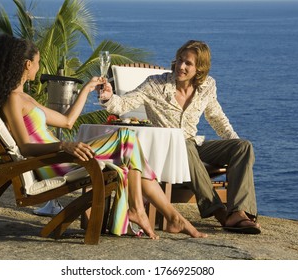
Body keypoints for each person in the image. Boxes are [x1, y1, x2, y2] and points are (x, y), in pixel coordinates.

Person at [0, 34, 207, 239]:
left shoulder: (25, 98)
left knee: (130, 151)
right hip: (54, 163)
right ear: (27, 64)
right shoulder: (14, 99)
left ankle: (163, 215)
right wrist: (64, 145)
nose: (39, 67)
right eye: (38, 62)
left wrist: (87, 89)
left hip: (61, 156)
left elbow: (67, 121)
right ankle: (145, 211)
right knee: (127, 138)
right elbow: (24, 147)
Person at [99, 40, 261, 234]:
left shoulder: (207, 86)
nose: (181, 66)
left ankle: (239, 212)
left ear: (199, 68)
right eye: (179, 60)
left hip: (192, 145)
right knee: (183, 143)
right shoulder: (156, 84)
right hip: (165, 150)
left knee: (243, 147)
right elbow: (122, 105)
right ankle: (220, 213)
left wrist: (233, 141)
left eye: (188, 63)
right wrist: (108, 97)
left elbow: (217, 117)